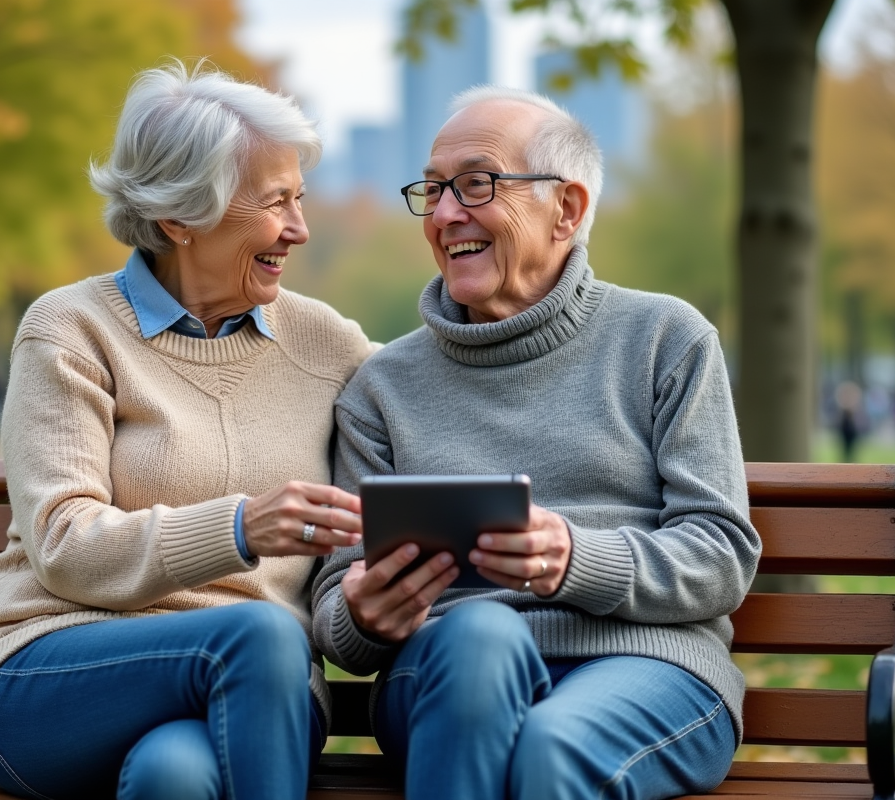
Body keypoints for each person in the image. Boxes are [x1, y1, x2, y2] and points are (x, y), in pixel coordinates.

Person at [312, 86, 761, 800]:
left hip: (649, 666)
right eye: (433, 190)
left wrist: (576, 559)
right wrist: (363, 613)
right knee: (479, 636)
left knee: (550, 750)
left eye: (476, 184)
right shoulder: (379, 389)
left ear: (568, 209)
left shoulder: (665, 340)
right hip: (446, 678)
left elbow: (720, 557)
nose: (446, 213)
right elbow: (339, 611)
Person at [0, 60, 374, 800]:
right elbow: (62, 542)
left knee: (173, 776)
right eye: (276, 203)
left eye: (299, 200)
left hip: (260, 692)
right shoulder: (71, 329)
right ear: (180, 216)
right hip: (57, 670)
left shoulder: (328, 345)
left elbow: (437, 401)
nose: (300, 229)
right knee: (263, 635)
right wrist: (242, 527)